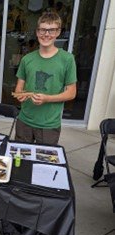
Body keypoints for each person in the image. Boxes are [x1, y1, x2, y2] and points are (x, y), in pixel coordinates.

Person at [14, 12, 77, 145]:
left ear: (58, 32)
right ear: (37, 32)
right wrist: (21, 95)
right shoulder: (27, 59)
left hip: (49, 124)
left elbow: (71, 93)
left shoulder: (67, 59)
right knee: (20, 160)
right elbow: (19, 88)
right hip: (24, 120)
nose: (46, 34)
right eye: (43, 30)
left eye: (51, 30)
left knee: (44, 163)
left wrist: (47, 98)